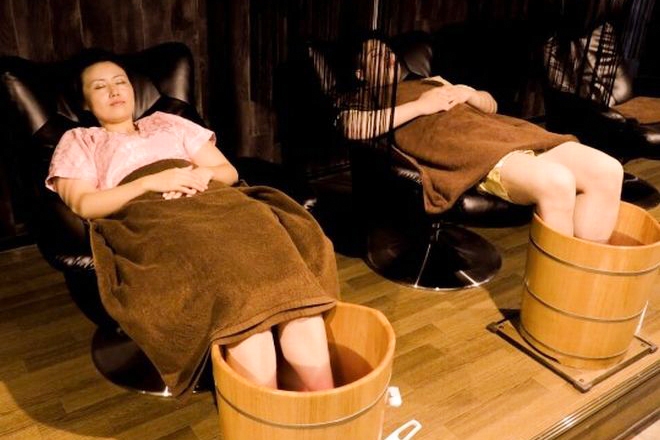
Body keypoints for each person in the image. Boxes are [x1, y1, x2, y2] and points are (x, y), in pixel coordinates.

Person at [46, 50, 337, 396]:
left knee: (294, 296)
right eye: (99, 86)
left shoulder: (168, 122)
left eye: (120, 81)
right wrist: (151, 182)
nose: (114, 90)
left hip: (217, 203)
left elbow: (227, 172)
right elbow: (84, 204)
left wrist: (200, 175)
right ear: (84, 102)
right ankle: (265, 411)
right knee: (242, 313)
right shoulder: (81, 140)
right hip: (152, 218)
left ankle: (326, 404)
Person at [340, 37, 624, 243]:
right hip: (475, 150)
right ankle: (560, 296)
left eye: (387, 50)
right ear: (360, 74)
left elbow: (491, 105)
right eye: (375, 55)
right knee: (558, 182)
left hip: (507, 133)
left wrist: (468, 94)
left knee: (608, 171)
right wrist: (421, 106)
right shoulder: (363, 98)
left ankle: (586, 285)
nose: (386, 55)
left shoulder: (432, 80)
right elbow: (352, 127)